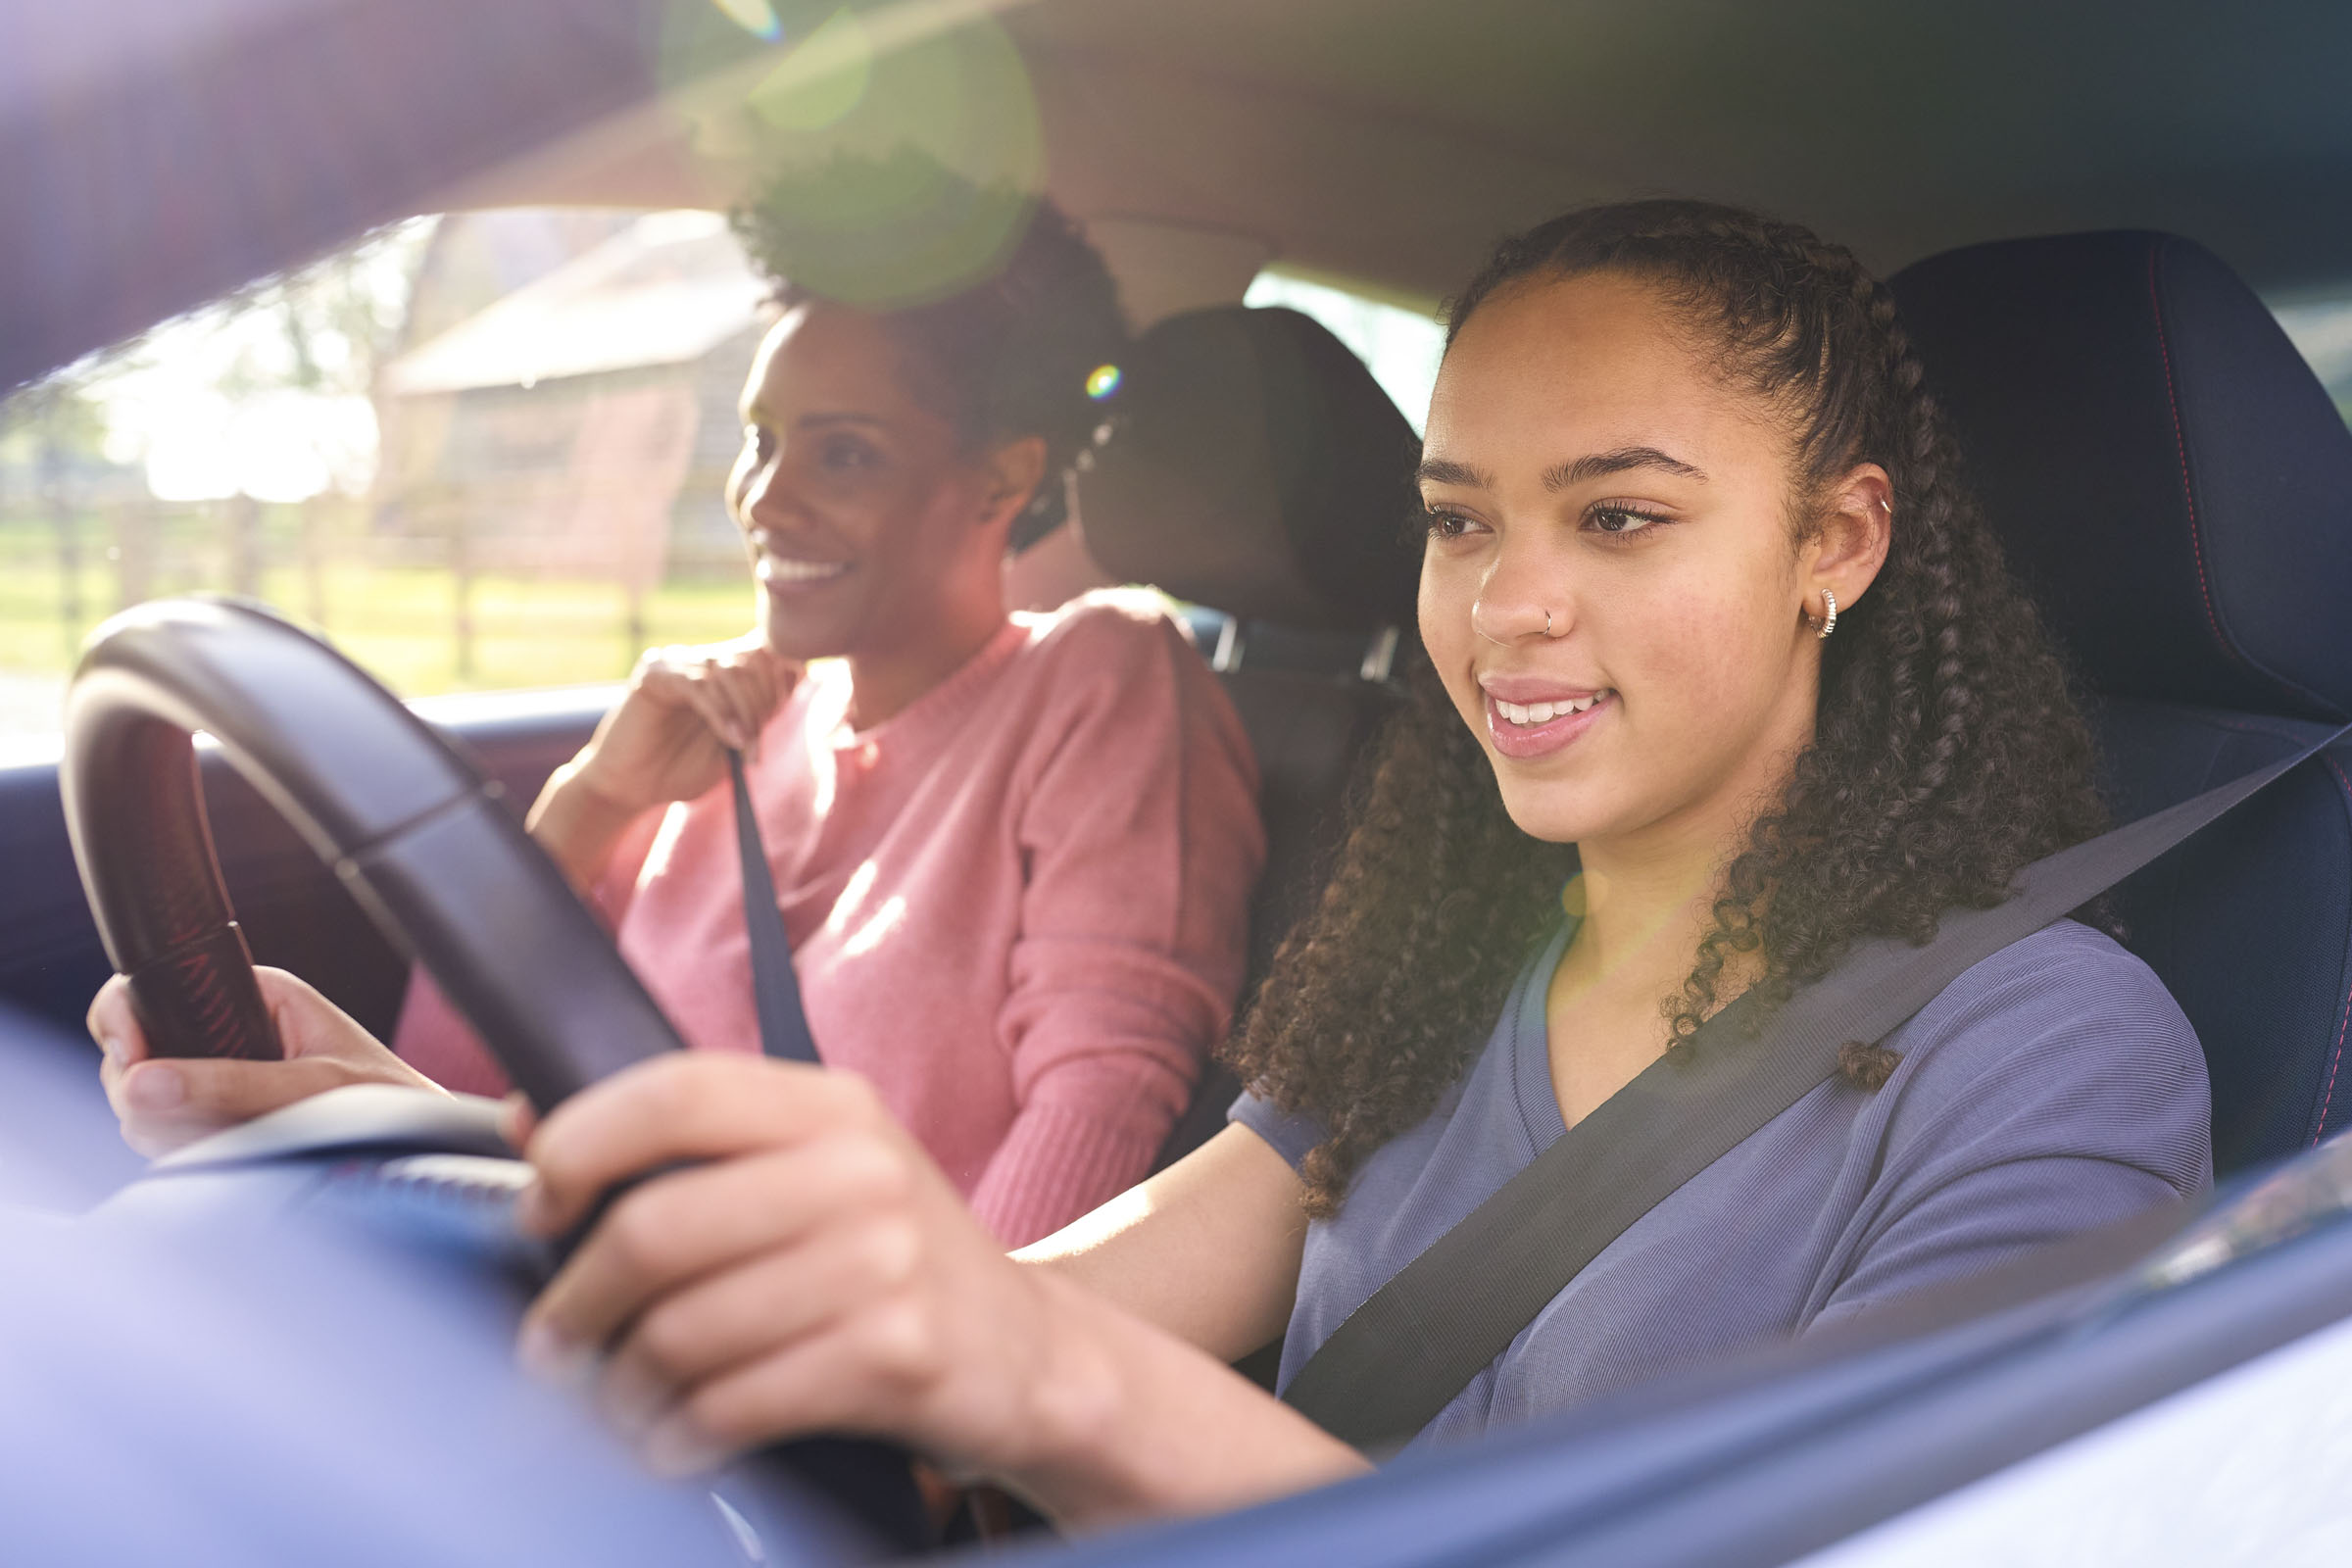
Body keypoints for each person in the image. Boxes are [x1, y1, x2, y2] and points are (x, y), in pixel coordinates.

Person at [91, 200, 2212, 1528]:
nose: (1504, 609)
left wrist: (1040, 1384)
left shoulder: (2051, 1050)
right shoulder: (1441, 942)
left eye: (1622, 518)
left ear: (1836, 541)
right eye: (1464, 518)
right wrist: (451, 1136)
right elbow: (1031, 1307)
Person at [92, 164, 1266, 1250]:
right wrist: (593, 800)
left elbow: (1101, 1098)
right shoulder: (718, 728)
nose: (766, 499)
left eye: (843, 455)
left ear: (1003, 477)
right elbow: (469, 1087)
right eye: (759, 441)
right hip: (566, 1313)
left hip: (811, 1426)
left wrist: (936, 1447)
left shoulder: (1103, 680)